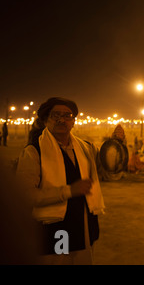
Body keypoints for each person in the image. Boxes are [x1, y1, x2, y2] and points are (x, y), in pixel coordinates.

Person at [15, 97, 105, 265]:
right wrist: (68, 191)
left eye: (67, 115)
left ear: (73, 121)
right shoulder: (34, 152)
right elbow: (24, 195)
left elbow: (109, 168)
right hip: (52, 230)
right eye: (56, 115)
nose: (62, 120)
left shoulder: (87, 148)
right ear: (45, 119)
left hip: (84, 227)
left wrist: (116, 144)